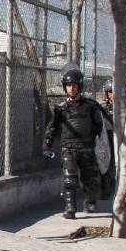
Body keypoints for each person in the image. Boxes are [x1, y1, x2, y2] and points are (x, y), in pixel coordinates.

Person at [43, 68, 105, 219]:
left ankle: (90, 201)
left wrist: (102, 145)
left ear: (80, 86)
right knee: (69, 178)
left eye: (74, 85)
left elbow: (100, 126)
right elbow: (52, 127)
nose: (71, 88)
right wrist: (47, 145)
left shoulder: (90, 106)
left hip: (87, 148)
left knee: (89, 179)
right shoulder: (61, 108)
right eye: (69, 85)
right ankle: (70, 207)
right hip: (68, 147)